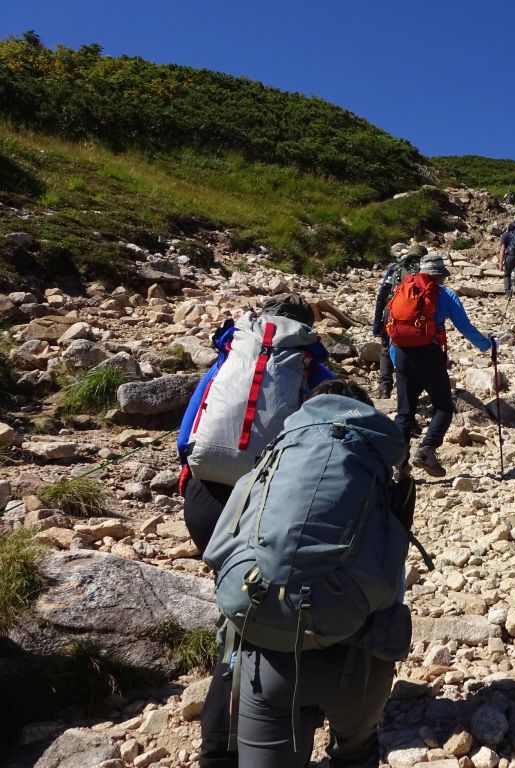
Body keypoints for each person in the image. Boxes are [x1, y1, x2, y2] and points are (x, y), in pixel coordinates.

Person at [203, 379, 414, 768]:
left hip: (265, 651)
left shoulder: (275, 459)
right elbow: (391, 586)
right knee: (357, 753)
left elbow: (218, 551)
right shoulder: (377, 473)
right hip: (356, 660)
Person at [176, 295, 336, 768]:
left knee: (236, 614)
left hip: (204, 503)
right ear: (307, 334)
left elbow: (187, 440)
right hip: (260, 504)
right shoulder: (312, 376)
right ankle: (230, 746)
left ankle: (233, 737)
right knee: (255, 624)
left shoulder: (229, 363)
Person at [388, 253, 493, 476]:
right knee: (444, 406)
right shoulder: (443, 294)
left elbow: (391, 328)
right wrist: (488, 346)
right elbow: (465, 327)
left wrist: (395, 359)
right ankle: (427, 449)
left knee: (404, 412)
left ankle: (398, 463)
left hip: (402, 354)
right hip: (428, 354)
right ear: (440, 276)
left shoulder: (402, 290)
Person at [372, 245, 427, 398]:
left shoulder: (396, 268)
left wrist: (377, 323)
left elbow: (382, 295)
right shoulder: (426, 269)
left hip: (392, 311)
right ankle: (414, 389)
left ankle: (384, 388)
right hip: (417, 315)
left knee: (386, 349)